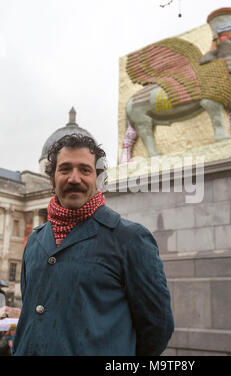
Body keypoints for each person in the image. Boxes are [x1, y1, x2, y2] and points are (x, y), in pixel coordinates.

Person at [13, 133, 174, 356]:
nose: (74, 178)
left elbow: (158, 326)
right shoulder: (35, 240)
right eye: (65, 169)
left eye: (85, 170)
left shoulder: (130, 238)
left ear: (98, 179)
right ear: (52, 178)